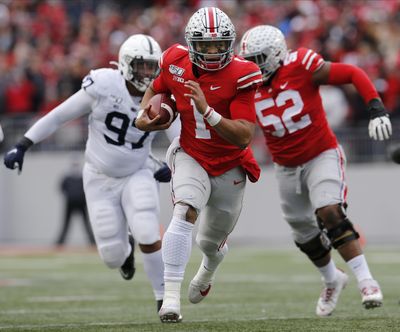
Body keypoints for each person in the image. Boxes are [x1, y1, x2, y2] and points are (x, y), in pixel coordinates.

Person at [4, 34, 180, 314]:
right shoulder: (103, 84)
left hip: (138, 170)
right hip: (99, 175)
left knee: (148, 229)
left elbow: (179, 141)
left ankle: (164, 299)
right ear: (125, 65)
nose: (147, 73)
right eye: (141, 66)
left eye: (151, 67)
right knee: (111, 255)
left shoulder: (163, 96)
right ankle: (125, 252)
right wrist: (23, 144)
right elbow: (60, 115)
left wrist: (173, 166)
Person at [239, 25, 392, 317]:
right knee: (303, 232)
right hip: (285, 166)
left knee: (329, 211)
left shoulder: (301, 65)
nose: (253, 67)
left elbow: (352, 73)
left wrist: (375, 106)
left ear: (276, 54)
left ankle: (366, 280)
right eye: (249, 60)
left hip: (321, 154)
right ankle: (332, 279)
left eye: (259, 59)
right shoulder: (246, 82)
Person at [135, 7, 263, 323]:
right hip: (191, 153)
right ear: (192, 44)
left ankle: (207, 271)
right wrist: (144, 115)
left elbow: (244, 136)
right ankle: (171, 299)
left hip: (230, 163)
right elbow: (156, 88)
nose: (213, 51)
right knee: (185, 210)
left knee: (209, 241)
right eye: (205, 45)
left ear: (229, 44)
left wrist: (207, 111)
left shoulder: (242, 73)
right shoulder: (175, 61)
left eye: (219, 45)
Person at [56, 160, 95, 246]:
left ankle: (93, 243)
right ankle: (59, 244)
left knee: (86, 224)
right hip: (70, 203)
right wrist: (70, 195)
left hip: (82, 203)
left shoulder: (83, 177)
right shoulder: (67, 177)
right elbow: (62, 188)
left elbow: (88, 188)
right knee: (66, 224)